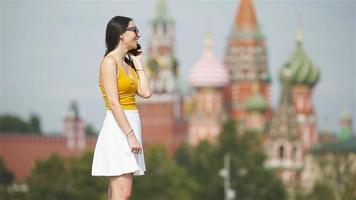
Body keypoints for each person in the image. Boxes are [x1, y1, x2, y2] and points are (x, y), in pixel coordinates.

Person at [91, 16, 151, 200]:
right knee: (123, 194)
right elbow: (114, 103)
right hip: (120, 128)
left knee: (119, 194)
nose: (138, 34)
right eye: (133, 29)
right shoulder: (109, 62)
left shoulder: (128, 63)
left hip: (130, 124)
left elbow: (145, 92)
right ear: (120, 34)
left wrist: (139, 64)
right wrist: (130, 135)